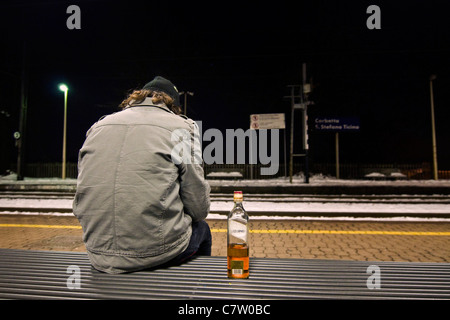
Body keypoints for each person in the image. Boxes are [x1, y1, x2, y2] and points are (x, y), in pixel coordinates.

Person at [73, 76, 211, 274]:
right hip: (156, 252)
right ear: (174, 106)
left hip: (97, 251)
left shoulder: (99, 126)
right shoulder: (182, 128)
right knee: (202, 229)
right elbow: (198, 207)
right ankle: (194, 292)